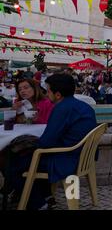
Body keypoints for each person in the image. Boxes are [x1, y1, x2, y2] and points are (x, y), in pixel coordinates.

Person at [10, 74, 98, 209]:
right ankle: (46, 196)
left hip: (66, 160)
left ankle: (38, 204)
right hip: (82, 157)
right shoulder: (84, 106)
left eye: (48, 90)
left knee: (14, 164)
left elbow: (46, 142)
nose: (47, 93)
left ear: (57, 94)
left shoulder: (61, 108)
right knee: (27, 158)